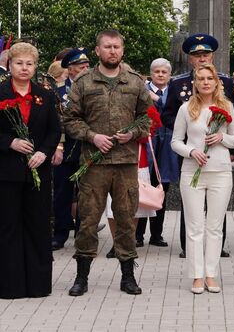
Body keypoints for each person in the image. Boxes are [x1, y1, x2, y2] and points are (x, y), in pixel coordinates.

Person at [64, 30, 152, 296]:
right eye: (107, 47)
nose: (112, 51)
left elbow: (147, 119)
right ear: (97, 50)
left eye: (116, 47)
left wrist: (133, 133)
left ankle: (127, 278)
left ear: (122, 51)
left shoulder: (135, 82)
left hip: (125, 163)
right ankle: (82, 277)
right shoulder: (84, 82)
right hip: (94, 164)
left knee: (126, 221)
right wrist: (93, 136)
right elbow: (69, 120)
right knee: (88, 221)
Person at [161, 33, 234, 259]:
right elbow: (168, 115)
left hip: (217, 150)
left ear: (212, 56)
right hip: (191, 150)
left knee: (217, 201)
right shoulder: (178, 83)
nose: (202, 58)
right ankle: (187, 245)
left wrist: (230, 147)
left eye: (206, 54)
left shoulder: (226, 82)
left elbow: (231, 119)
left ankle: (216, 245)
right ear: (190, 58)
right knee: (190, 202)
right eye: (196, 55)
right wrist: (191, 129)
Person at [171, 63, 234, 294]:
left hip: (220, 172)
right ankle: (197, 276)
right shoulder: (186, 108)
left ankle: (211, 274)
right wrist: (191, 151)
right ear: (195, 83)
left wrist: (222, 137)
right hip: (192, 173)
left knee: (214, 227)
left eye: (209, 78)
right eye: (200, 79)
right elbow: (175, 142)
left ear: (216, 82)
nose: (205, 82)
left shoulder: (227, 106)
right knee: (194, 227)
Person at [0, 43, 61, 299]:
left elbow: (54, 130)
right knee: (8, 226)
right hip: (7, 172)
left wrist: (43, 152)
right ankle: (10, 285)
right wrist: (10, 142)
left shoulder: (45, 95)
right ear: (9, 65)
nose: (24, 68)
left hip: (38, 169)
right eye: (19, 63)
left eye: (30, 64)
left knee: (37, 225)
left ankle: (38, 285)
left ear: (36, 67)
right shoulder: (1, 92)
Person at [136, 58, 178, 248]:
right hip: (147, 143)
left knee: (162, 188)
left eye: (164, 72)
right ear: (151, 74)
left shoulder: (175, 91)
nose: (160, 75)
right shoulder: (141, 89)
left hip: (168, 143)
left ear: (169, 75)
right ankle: (138, 235)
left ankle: (156, 235)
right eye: (157, 72)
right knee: (143, 186)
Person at [51, 47, 90, 251]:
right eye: (80, 66)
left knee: (87, 194)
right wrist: (57, 146)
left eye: (87, 66)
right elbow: (56, 123)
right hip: (65, 151)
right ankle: (60, 234)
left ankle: (84, 234)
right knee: (62, 194)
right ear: (70, 69)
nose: (85, 69)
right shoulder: (58, 92)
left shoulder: (94, 89)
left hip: (89, 150)